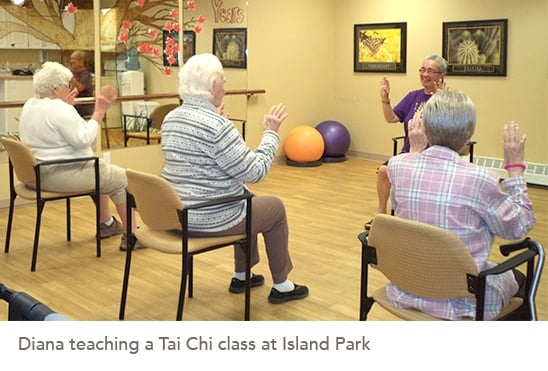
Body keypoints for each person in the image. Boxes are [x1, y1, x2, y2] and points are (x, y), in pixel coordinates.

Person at [161, 53, 309, 304]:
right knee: (273, 208)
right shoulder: (217, 127)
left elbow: (206, 162)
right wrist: (271, 133)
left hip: (177, 214)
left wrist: (220, 123)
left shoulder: (171, 118)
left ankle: (243, 275)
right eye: (223, 82)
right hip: (208, 217)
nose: (225, 88)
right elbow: (255, 171)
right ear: (212, 86)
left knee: (246, 199)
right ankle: (282, 285)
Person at [386, 90, 536, 320]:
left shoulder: (397, 165)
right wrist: (515, 169)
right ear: (469, 136)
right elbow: (518, 227)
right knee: (521, 279)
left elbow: (396, 204)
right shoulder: (480, 179)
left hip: (406, 288)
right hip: (463, 301)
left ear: (424, 127)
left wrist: (413, 154)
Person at [18, 61, 142, 251]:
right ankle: (132, 236)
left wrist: (66, 106)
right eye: (68, 85)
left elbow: (58, 131)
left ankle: (107, 224)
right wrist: (99, 111)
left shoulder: (30, 104)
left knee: (102, 172)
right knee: (122, 179)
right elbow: (84, 139)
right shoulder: (58, 109)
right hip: (60, 174)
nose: (71, 89)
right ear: (55, 88)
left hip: (37, 174)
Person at [364, 54, 448, 230]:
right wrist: (385, 99)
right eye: (423, 69)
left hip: (434, 156)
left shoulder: (447, 99)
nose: (425, 74)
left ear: (441, 76)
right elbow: (391, 118)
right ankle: (380, 216)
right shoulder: (413, 96)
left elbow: (448, 128)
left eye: (430, 71)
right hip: (409, 153)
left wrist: (441, 100)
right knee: (383, 171)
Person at [68, 50, 94, 118]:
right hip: (73, 103)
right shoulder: (73, 73)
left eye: (74, 59)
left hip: (83, 105)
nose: (71, 61)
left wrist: (73, 81)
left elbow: (81, 88)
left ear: (81, 62)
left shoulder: (86, 75)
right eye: (71, 59)